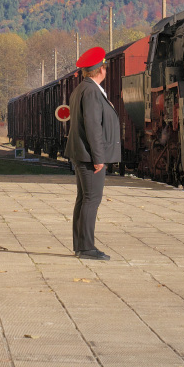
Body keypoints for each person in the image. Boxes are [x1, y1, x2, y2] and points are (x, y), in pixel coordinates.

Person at [65, 46, 121, 261]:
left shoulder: (84, 88)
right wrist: (99, 158)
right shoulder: (91, 91)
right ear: (101, 69)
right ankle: (86, 247)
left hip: (83, 153)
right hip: (89, 155)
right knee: (91, 199)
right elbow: (93, 126)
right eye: (105, 67)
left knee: (84, 199)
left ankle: (81, 245)